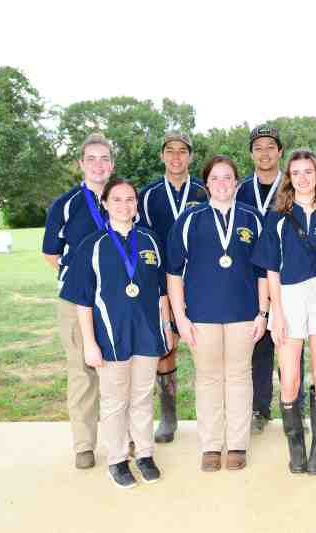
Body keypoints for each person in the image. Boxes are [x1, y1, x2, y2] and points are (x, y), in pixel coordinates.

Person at [59, 178, 172, 488]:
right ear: (105, 204)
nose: (125, 205)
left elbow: (161, 293)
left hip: (146, 334)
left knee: (142, 398)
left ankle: (144, 453)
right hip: (110, 337)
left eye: (131, 200)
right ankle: (117, 459)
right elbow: (83, 302)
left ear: (137, 205)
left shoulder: (150, 241)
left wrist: (166, 328)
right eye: (118, 200)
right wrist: (90, 345)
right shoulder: (92, 246)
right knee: (114, 401)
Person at [166, 155, 267, 472]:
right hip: (201, 316)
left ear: (237, 183)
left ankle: (237, 444)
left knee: (239, 377)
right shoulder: (189, 220)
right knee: (208, 379)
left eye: (228, 178)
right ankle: (211, 445)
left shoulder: (253, 218)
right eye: (215, 178)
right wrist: (180, 317)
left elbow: (264, 271)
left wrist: (263, 312)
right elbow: (173, 273)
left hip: (243, 314)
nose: (222, 184)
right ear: (206, 183)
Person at [251, 149, 316, 475]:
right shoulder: (276, 219)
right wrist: (275, 311)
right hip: (287, 297)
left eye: (308, 171)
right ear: (288, 178)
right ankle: (295, 441)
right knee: (289, 377)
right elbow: (270, 270)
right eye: (296, 173)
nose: (303, 178)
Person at [42, 133, 114, 469]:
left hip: (115, 302)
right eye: (92, 159)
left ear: (111, 165)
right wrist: (80, 279)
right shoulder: (65, 204)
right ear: (81, 164)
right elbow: (50, 253)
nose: (98, 165)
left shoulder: (125, 199)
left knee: (118, 371)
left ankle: (121, 438)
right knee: (83, 371)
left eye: (104, 159)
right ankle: (84, 446)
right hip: (75, 300)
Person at [138, 131, 209, 443]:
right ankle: (168, 416)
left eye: (183, 151)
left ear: (191, 156)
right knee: (166, 346)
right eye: (170, 151)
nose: (177, 157)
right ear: (162, 156)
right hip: (163, 283)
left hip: (201, 281)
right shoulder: (148, 194)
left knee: (206, 348)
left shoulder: (205, 190)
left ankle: (212, 416)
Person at [236, 125, 306, 434]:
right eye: (258, 148)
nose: (264, 153)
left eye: (270, 147)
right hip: (250, 279)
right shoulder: (240, 190)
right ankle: (259, 409)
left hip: (289, 277)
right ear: (251, 154)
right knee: (259, 345)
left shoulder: (292, 187)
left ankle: (296, 410)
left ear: (280, 152)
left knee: (292, 344)